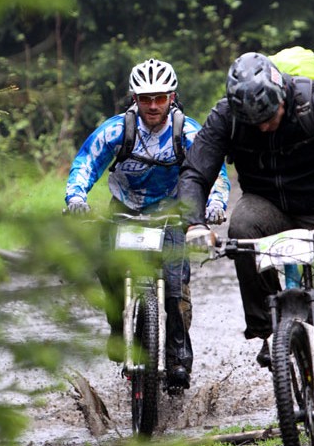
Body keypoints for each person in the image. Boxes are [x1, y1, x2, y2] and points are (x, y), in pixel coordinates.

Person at [178, 51, 314, 446]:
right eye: (254, 122)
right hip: (267, 205)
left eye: (270, 117)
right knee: (241, 229)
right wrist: (194, 223)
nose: (264, 126)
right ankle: (268, 330)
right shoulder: (226, 116)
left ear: (282, 94)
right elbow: (196, 172)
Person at [65, 58, 230, 389]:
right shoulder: (116, 130)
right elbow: (86, 162)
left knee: (175, 287)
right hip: (124, 210)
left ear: (172, 97)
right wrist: (76, 198)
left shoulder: (188, 132)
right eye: (145, 98)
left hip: (170, 213)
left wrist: (215, 204)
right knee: (107, 268)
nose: (153, 106)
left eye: (160, 98)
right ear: (133, 98)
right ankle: (117, 327)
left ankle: (179, 360)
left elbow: (213, 171)